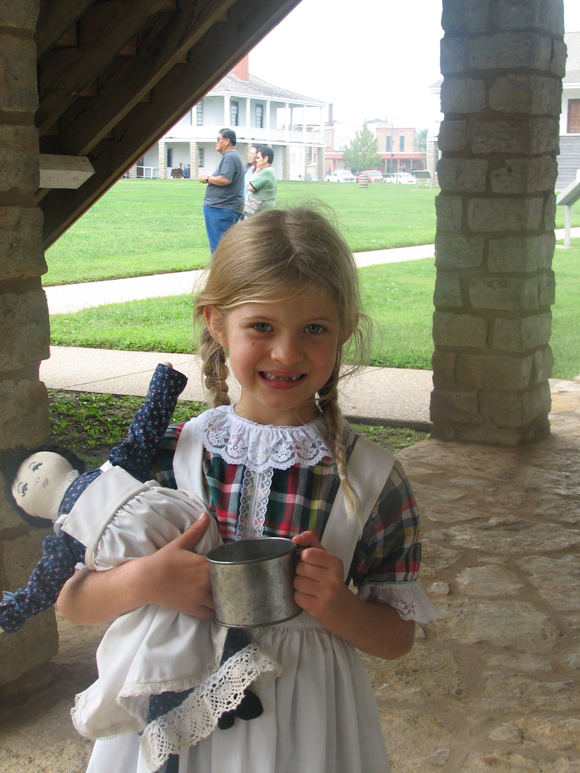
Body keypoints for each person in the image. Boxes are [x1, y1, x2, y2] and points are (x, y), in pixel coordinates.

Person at [59, 208, 438, 773]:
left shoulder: (372, 481)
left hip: (307, 726)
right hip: (177, 711)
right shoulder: (169, 458)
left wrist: (338, 605)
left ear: (345, 330)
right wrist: (145, 578)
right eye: (261, 326)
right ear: (216, 322)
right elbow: (73, 600)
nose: (286, 353)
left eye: (314, 328)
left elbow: (395, 637)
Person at [0, 364, 274, 771]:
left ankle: (232, 694)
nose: (34, 481)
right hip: (156, 603)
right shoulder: (65, 539)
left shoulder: (117, 468)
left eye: (35, 467)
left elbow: (145, 427)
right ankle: (171, 737)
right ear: (33, 513)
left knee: (210, 627)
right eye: (23, 488)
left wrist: (164, 384)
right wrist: (15, 608)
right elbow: (48, 589)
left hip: (204, 544)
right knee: (161, 663)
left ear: (60, 459)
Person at [198, 128, 244, 254]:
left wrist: (207, 178)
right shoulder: (233, 156)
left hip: (221, 208)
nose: (216, 142)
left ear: (227, 141)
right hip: (224, 208)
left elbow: (225, 179)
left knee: (219, 249)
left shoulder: (230, 156)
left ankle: (222, 273)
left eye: (218, 139)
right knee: (224, 247)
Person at [243, 146, 277, 218]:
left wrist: (256, 172)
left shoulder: (266, 172)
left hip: (261, 214)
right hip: (261, 212)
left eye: (258, 158)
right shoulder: (269, 170)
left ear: (265, 159)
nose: (257, 160)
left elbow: (249, 186)